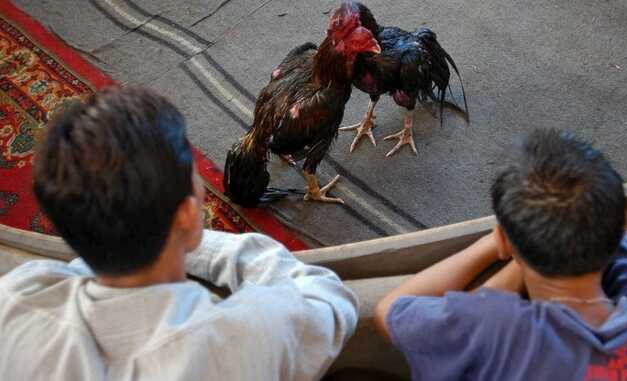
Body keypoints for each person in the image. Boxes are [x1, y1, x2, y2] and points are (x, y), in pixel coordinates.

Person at [0, 87, 358, 380]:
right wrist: (218, 248)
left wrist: (167, 231)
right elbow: (329, 298)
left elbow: (80, 266)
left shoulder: (15, 300)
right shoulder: (242, 333)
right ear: (188, 216)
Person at [374, 129, 627, 380]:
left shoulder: (492, 327)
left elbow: (388, 312)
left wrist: (496, 244)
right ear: (624, 224)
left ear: (505, 243)